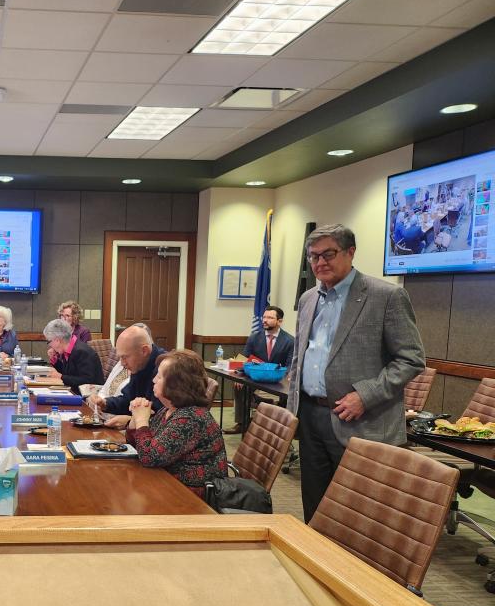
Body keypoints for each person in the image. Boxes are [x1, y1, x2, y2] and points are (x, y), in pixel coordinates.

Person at [288, 224, 424, 522]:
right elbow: (300, 355)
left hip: (361, 421)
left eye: (328, 254)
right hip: (311, 416)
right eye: (313, 257)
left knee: (357, 514)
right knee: (315, 506)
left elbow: (411, 359)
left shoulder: (386, 296)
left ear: (350, 252)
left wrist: (365, 395)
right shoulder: (308, 298)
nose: (320, 263)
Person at [126, 350, 228, 497]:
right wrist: (135, 419)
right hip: (167, 483)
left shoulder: (190, 418)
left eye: (159, 377)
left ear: (175, 385)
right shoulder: (169, 410)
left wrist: (142, 421)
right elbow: (139, 446)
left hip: (193, 496)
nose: (153, 380)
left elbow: (149, 457)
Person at [224, 305, 295, 434]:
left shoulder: (290, 341)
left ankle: (278, 428)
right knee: (239, 385)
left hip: (278, 381)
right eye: (264, 317)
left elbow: (290, 365)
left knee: (286, 391)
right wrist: (239, 376)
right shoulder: (254, 337)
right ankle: (242, 423)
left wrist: (286, 377)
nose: (265, 320)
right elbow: (244, 359)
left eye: (270, 317)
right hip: (255, 378)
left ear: (280, 321)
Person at [90, 324, 165, 428]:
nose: (122, 363)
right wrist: (106, 403)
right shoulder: (140, 364)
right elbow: (128, 399)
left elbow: (164, 419)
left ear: (144, 350)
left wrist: (130, 421)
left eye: (125, 357)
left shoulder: (165, 370)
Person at [42, 319, 103, 395]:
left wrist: (60, 377)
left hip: (87, 398)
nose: (49, 345)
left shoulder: (82, 352)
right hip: (74, 391)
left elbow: (87, 380)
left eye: (49, 342)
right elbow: (68, 373)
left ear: (57, 340)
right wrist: (55, 361)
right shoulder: (68, 348)